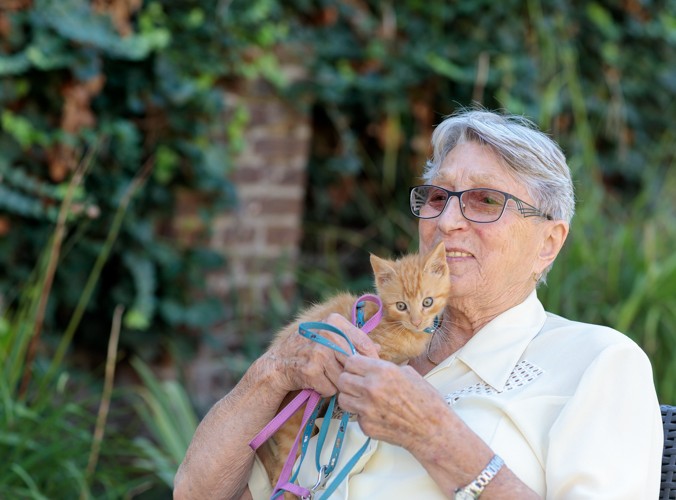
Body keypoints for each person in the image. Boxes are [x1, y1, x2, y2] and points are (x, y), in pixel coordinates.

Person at [173, 109, 663, 499]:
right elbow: (196, 494)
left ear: (548, 243)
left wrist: (434, 436)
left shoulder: (597, 363)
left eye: (485, 201)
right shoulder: (360, 338)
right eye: (437, 196)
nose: (448, 220)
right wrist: (274, 372)